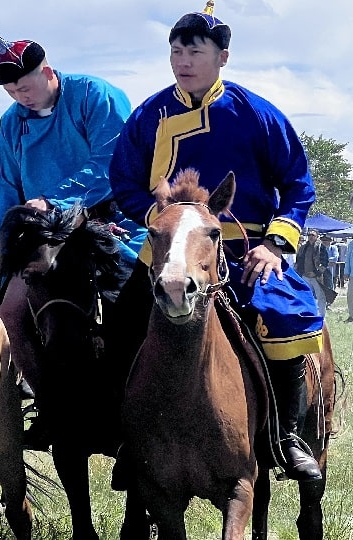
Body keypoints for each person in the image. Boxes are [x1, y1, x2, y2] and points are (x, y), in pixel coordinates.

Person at [108, 1, 324, 481]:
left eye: (194, 50)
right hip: (168, 250)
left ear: (222, 57)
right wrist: (159, 221)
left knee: (282, 318)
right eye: (175, 51)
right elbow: (123, 181)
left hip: (244, 248)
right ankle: (127, 436)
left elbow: (297, 185)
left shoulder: (256, 113)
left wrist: (275, 244)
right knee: (119, 324)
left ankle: (284, 435)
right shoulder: (149, 115)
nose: (182, 61)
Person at [0, 28, 146, 450]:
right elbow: (2, 186)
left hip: (109, 224)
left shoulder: (95, 95)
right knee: (7, 317)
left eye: (27, 86)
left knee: (136, 307)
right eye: (13, 91)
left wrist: (56, 200)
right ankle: (51, 404)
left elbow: (112, 161)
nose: (22, 97)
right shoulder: (11, 122)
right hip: (41, 238)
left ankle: (137, 406)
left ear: (47, 71)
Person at [295, 230, 330, 318]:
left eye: (313, 235)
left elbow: (325, 262)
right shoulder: (303, 247)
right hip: (305, 276)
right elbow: (299, 261)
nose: (311, 236)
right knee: (306, 296)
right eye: (309, 235)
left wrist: (316, 273)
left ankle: (322, 316)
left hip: (317, 277)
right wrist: (301, 273)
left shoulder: (321, 247)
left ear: (317, 236)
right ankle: (309, 314)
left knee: (321, 296)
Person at [345, 237, 353, 322]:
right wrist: (346, 272)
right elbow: (348, 259)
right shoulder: (351, 244)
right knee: (350, 296)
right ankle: (351, 316)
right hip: (352, 275)